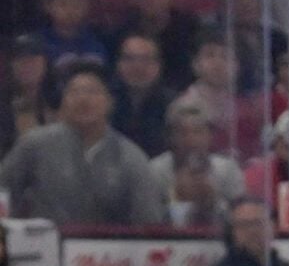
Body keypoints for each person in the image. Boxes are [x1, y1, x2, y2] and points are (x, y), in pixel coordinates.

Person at [0, 60, 166, 227]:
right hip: (44, 245)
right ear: (63, 101)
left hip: (107, 249)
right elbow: (3, 190)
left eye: (92, 92)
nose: (83, 99)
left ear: (110, 102)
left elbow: (149, 222)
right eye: (74, 92)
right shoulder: (35, 144)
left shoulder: (131, 157)